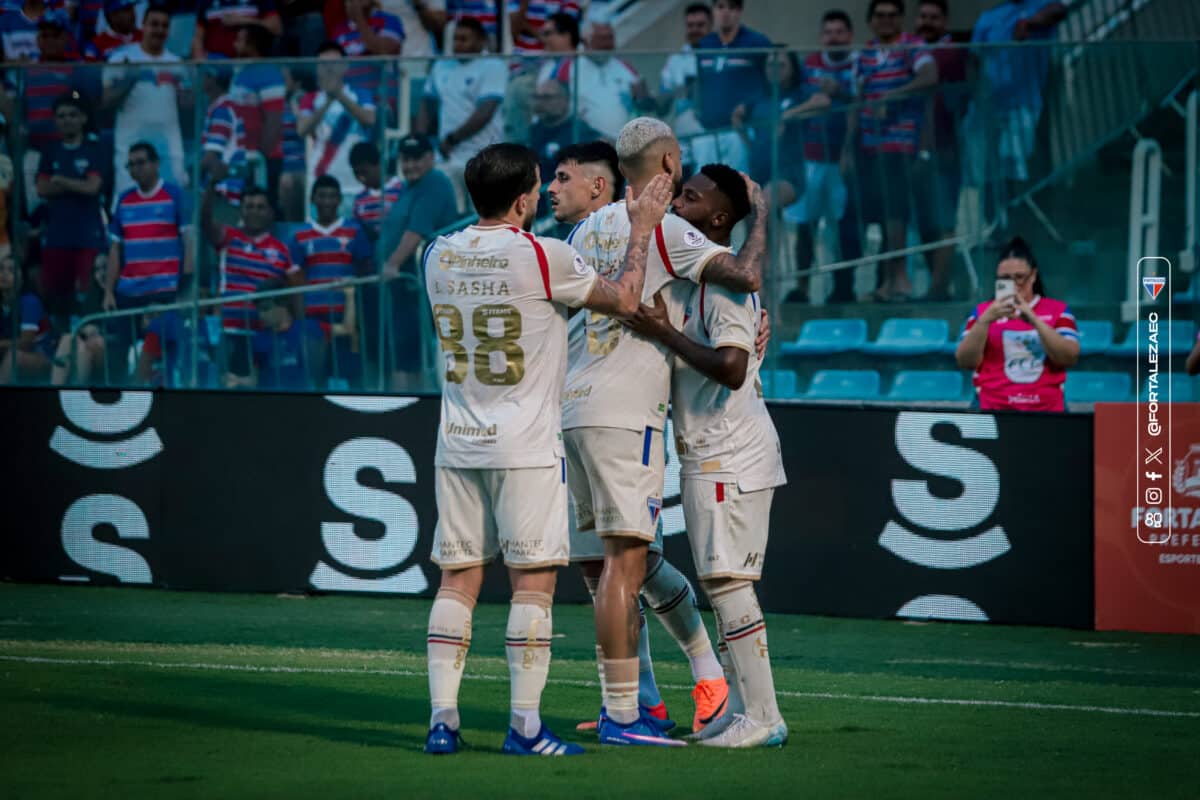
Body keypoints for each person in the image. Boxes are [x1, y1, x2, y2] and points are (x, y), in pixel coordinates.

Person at [422, 142, 672, 757]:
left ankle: (442, 723)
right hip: (526, 444)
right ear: (522, 199)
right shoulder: (543, 255)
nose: (543, 192)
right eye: (538, 184)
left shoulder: (435, 253)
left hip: (457, 441)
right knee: (531, 585)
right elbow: (627, 299)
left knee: (457, 580)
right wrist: (641, 228)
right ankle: (526, 728)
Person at [563, 117, 766, 745]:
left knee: (608, 569)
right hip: (625, 414)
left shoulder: (582, 231)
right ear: (670, 163)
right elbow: (747, 277)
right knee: (626, 566)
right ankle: (634, 710)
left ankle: (645, 703)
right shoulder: (668, 230)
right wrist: (762, 216)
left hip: (572, 409)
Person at [623, 162, 787, 748]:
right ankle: (739, 710)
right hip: (712, 450)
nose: (676, 204)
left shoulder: (723, 284)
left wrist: (664, 333)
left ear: (718, 219)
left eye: (689, 198)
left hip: (730, 451)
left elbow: (733, 367)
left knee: (729, 584)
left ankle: (763, 716)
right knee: (722, 584)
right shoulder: (698, 278)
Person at [842, 0, 937, 303]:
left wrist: (892, 95)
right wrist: (847, 149)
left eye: (892, 15)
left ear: (901, 19)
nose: (886, 20)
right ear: (871, 21)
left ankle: (900, 280)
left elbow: (929, 76)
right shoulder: (864, 54)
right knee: (883, 216)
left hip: (904, 146)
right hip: (871, 149)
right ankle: (888, 282)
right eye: (880, 15)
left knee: (898, 214)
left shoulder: (913, 46)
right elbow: (856, 102)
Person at [784, 8, 859, 304]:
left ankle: (842, 287)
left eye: (839, 32)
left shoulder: (858, 65)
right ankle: (801, 287)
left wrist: (841, 93)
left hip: (841, 160)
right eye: (828, 32)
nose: (833, 38)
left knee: (842, 228)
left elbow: (861, 104)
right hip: (810, 157)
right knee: (806, 225)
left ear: (850, 35)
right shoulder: (809, 65)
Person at [954, 236, 1079, 411]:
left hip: (1047, 408)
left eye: (1019, 277)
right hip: (992, 406)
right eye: (1005, 279)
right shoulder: (982, 312)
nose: (1013, 284)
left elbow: (1069, 357)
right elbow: (965, 361)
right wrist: (985, 321)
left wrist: (1034, 320)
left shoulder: (1058, 310)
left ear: (1033, 276)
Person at [373, 133, 458, 388]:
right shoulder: (410, 187)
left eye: (416, 159)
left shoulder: (434, 183)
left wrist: (392, 264)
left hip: (417, 285)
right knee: (403, 355)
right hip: (404, 287)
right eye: (405, 160)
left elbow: (417, 231)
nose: (410, 165)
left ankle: (417, 406)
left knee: (413, 356)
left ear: (430, 158)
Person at [103, 141, 193, 381]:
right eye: (131, 165)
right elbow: (115, 249)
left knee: (160, 354)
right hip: (129, 291)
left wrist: (185, 288)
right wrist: (109, 291)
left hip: (164, 291)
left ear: (156, 164)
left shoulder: (175, 195)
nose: (135, 169)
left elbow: (189, 243)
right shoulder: (124, 199)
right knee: (118, 354)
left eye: (141, 163)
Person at [201, 183, 294, 379]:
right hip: (229, 333)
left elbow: (291, 294)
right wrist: (212, 183)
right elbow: (205, 221)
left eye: (260, 207)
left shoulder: (282, 250)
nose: (254, 212)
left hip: (266, 337)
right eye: (249, 207)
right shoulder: (228, 237)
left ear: (270, 212)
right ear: (241, 210)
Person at [288, 174, 373, 387]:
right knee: (316, 378)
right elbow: (295, 280)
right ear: (313, 199)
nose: (327, 201)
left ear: (339, 200)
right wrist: (300, 319)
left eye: (332, 196)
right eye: (322, 196)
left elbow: (364, 269)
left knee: (353, 377)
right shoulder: (299, 235)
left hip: (347, 315)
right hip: (313, 318)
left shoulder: (354, 231)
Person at [416, 17, 505, 206]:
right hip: (448, 158)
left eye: (464, 39)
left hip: (483, 157)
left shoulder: (493, 65)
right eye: (455, 39)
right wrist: (420, 141)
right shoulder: (441, 66)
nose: (457, 44)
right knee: (451, 214)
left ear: (480, 41)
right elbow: (427, 103)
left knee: (482, 214)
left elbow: (486, 111)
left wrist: (452, 139)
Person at [35, 92, 107, 327]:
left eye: (72, 115)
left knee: (88, 295)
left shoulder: (94, 149)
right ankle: (60, 340)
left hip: (88, 236)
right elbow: (42, 188)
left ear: (83, 118)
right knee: (56, 299)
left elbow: (92, 187)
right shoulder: (50, 151)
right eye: (61, 116)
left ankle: (90, 339)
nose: (67, 120)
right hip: (57, 236)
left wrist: (61, 181)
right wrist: (77, 183)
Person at [104, 5, 190, 198]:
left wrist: (185, 90)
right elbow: (106, 102)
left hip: (168, 146)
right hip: (131, 144)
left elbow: (188, 106)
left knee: (172, 197)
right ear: (143, 25)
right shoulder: (121, 58)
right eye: (154, 24)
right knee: (128, 198)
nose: (159, 30)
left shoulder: (177, 63)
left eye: (164, 26)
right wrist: (129, 79)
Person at [914, 0, 967, 300]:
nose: (927, 22)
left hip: (945, 149)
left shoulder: (949, 53)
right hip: (916, 150)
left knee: (943, 220)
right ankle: (941, 284)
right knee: (925, 223)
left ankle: (938, 287)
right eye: (923, 16)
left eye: (934, 17)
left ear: (945, 22)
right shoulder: (914, 51)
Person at [542, 13, 650, 140]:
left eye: (610, 38)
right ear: (585, 40)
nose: (607, 44)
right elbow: (550, 108)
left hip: (625, 144)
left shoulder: (626, 67)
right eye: (601, 38)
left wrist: (644, 99)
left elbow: (647, 105)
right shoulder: (568, 66)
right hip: (585, 142)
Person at [693, 0, 771, 174]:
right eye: (720, 7)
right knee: (704, 185)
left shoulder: (757, 42)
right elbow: (700, 82)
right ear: (714, 11)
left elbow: (770, 84)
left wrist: (750, 106)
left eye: (732, 7)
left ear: (740, 11)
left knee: (736, 185)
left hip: (740, 131)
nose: (726, 12)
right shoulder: (705, 45)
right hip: (707, 130)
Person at [297, 41, 377, 198]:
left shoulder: (360, 94)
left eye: (334, 63)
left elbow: (369, 120)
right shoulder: (309, 98)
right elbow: (302, 129)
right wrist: (328, 101)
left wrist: (339, 95)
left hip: (356, 182)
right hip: (321, 181)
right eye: (323, 64)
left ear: (345, 66)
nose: (329, 69)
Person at [230, 24, 285, 204]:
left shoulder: (269, 74)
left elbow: (273, 121)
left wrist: (261, 158)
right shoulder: (240, 72)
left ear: (252, 44)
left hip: (262, 160)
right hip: (242, 156)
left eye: (239, 40)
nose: (234, 44)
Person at [529, 80, 603, 186]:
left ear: (565, 100)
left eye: (547, 97)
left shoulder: (580, 132)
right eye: (537, 97)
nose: (540, 103)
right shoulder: (529, 132)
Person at [333, 0, 404, 99]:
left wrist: (359, 17)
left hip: (381, 95)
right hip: (349, 95)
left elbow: (383, 50)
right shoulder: (339, 30)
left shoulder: (389, 20)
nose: (353, 3)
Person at [0, 253, 53, 384]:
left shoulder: (30, 302)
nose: (4, 274)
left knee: (13, 357)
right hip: (7, 353)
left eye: (11, 270)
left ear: (22, 278)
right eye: (1, 269)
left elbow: (26, 343)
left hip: (42, 357)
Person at [659, 3, 712, 122]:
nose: (694, 30)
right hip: (687, 131)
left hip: (723, 130)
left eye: (700, 25)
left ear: (711, 26)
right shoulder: (674, 61)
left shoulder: (723, 56)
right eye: (690, 25)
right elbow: (662, 109)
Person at [349, 141, 404, 241]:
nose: (361, 178)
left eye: (364, 172)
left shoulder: (401, 190)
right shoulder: (359, 200)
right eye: (356, 173)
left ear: (379, 165)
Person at [192, 0, 281, 59]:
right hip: (216, 67)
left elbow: (276, 28)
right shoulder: (205, 1)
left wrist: (243, 20)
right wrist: (201, 63)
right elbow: (197, 37)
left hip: (251, 64)